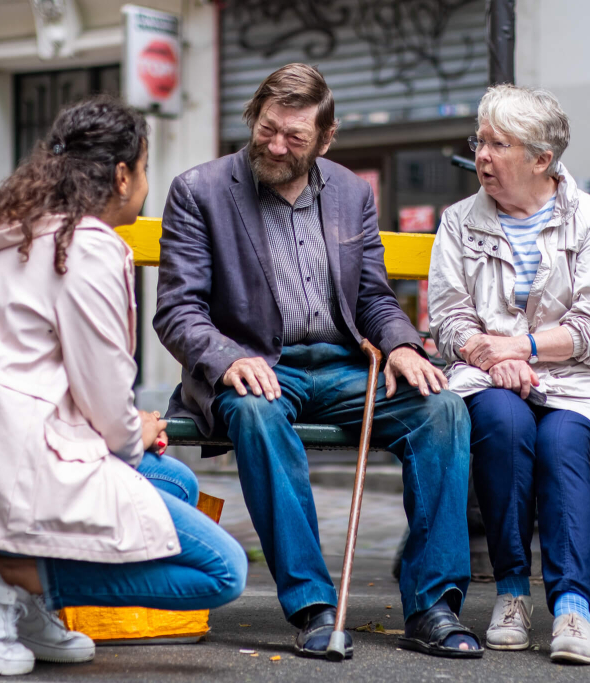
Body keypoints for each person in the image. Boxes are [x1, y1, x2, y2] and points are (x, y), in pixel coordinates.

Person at [0, 96, 246, 677]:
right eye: (144, 168)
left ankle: (25, 592)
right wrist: (134, 430)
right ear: (121, 175)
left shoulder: (9, 227)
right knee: (223, 570)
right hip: (14, 458)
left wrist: (127, 437)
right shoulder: (89, 247)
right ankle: (10, 575)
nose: (146, 183)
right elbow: (106, 399)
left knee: (175, 481)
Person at [156, 64, 480, 660]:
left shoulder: (351, 191)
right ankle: (312, 605)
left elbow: (374, 298)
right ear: (253, 119)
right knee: (256, 413)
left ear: (325, 140)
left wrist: (404, 345)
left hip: (344, 365)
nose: (276, 146)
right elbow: (178, 311)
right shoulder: (198, 191)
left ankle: (432, 606)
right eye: (267, 130)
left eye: (295, 138)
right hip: (256, 368)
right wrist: (227, 359)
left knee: (443, 409)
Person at [428, 84, 590, 665]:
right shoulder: (459, 222)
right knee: (504, 427)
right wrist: (496, 358)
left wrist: (524, 346)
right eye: (479, 141)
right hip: (488, 377)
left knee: (564, 443)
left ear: (542, 159)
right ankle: (512, 591)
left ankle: (571, 605)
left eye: (498, 144)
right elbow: (448, 317)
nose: (481, 156)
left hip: (575, 379)